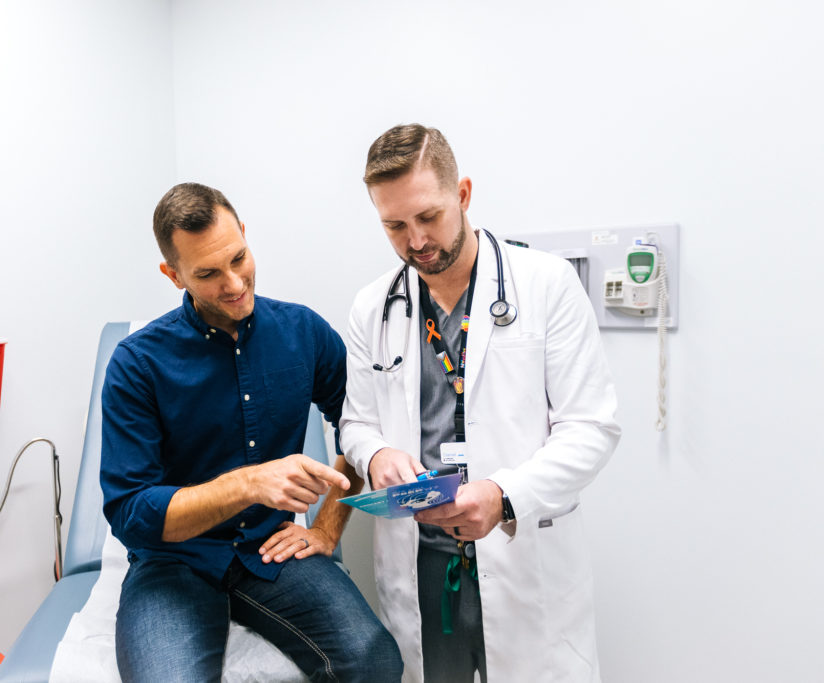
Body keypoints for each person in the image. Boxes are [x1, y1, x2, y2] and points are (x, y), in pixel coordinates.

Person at [339, 124, 621, 682]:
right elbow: (356, 422)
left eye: (428, 217)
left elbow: (592, 427)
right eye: (394, 225)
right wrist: (374, 457)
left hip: (519, 549)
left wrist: (502, 494)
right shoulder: (373, 308)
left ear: (463, 194)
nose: (415, 241)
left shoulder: (547, 285)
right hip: (422, 559)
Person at [100, 182, 403, 683]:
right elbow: (130, 512)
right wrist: (248, 484)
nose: (235, 283)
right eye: (208, 273)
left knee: (374, 660)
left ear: (244, 233)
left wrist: (327, 528)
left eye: (239, 258)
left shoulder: (302, 332)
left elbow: (359, 425)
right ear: (172, 273)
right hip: (172, 563)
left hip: (272, 548)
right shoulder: (138, 364)